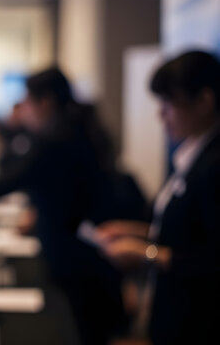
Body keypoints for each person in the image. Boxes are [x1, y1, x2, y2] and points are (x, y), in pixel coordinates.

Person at [0, 68, 143, 344]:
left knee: (80, 331)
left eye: (27, 101)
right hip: (89, 255)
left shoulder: (55, 140)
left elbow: (4, 183)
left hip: (77, 261)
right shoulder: (77, 130)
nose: (24, 110)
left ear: (46, 101)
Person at [98, 50, 220, 345]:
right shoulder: (191, 156)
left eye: (169, 103)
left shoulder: (214, 165)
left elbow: (212, 259)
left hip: (199, 322)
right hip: (174, 315)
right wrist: (134, 232)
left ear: (204, 101)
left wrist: (145, 254)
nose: (160, 114)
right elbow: (185, 233)